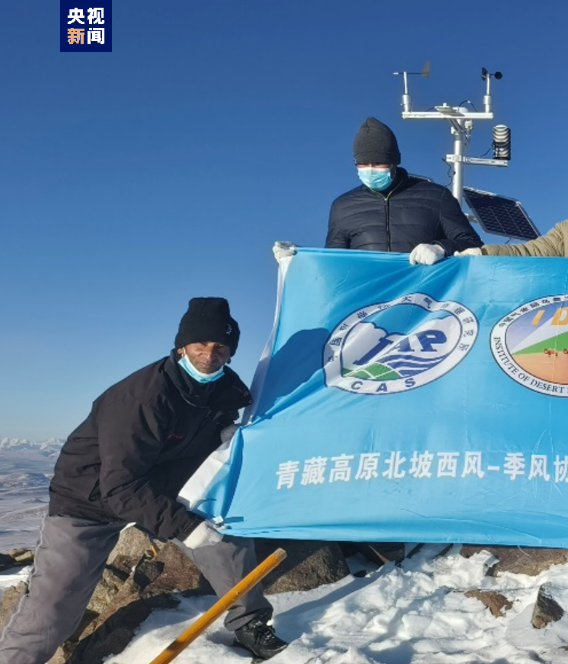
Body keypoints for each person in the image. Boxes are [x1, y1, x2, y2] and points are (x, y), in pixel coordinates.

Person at [0, 298, 288, 663]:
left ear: (231, 353)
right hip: (88, 500)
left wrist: (222, 437)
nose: (209, 354)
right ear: (182, 346)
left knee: (226, 534)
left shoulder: (224, 392)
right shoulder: (142, 397)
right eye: (200, 344)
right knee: (55, 605)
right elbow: (119, 486)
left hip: (160, 485)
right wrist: (185, 528)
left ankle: (250, 622)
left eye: (221, 347)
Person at [273, 116, 483, 264]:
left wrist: (440, 248)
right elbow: (334, 263)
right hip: (368, 306)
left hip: (424, 305)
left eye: (379, 163)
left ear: (394, 162)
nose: (371, 170)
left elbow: (473, 245)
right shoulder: (343, 206)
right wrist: (298, 257)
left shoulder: (436, 197)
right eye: (363, 164)